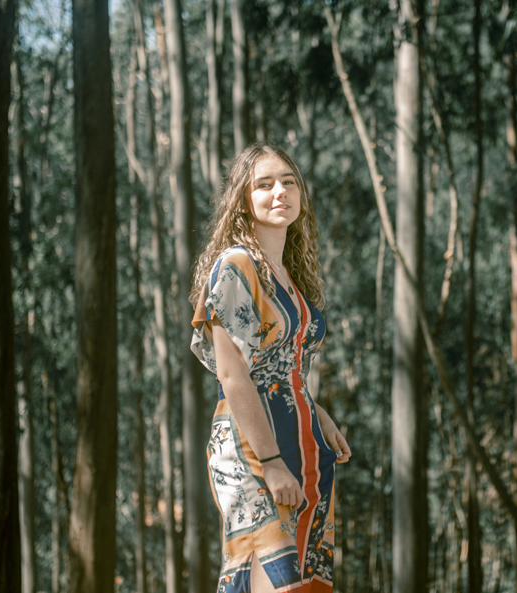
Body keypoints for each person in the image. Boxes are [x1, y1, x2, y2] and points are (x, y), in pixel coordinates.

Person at [190, 143, 351, 592]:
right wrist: (273, 462)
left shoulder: (289, 278)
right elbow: (233, 375)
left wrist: (315, 412)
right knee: (268, 578)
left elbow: (283, 367)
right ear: (243, 200)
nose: (279, 191)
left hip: (302, 441)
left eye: (289, 181)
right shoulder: (236, 265)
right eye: (264, 184)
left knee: (302, 582)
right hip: (255, 449)